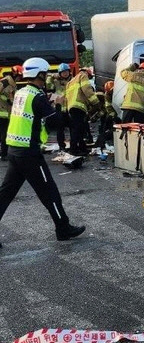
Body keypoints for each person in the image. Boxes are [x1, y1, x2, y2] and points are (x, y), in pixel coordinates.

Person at [0, 57, 85, 249]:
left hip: (15, 150)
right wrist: (57, 104)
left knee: (5, 194)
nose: (46, 78)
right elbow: (55, 122)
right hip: (29, 154)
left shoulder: (22, 92)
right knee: (50, 193)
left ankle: (63, 226)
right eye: (45, 74)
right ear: (40, 74)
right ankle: (63, 228)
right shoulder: (37, 96)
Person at [65, 67, 100, 156]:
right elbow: (87, 90)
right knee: (77, 129)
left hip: (71, 107)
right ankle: (73, 150)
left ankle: (82, 148)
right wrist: (96, 102)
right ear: (87, 73)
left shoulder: (71, 81)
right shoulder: (83, 76)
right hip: (79, 106)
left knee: (78, 128)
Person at [46, 63, 71, 151]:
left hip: (69, 106)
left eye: (66, 72)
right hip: (59, 107)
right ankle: (62, 146)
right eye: (63, 72)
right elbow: (49, 86)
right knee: (60, 128)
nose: (65, 74)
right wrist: (52, 76)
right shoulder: (55, 81)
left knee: (72, 127)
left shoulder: (72, 81)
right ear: (59, 73)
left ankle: (73, 144)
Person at [0, 65, 23, 160]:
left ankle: (5, 153)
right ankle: (4, 154)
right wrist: (7, 100)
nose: (19, 78)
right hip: (1, 112)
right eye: (19, 76)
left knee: (6, 133)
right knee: (4, 134)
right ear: (14, 74)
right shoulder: (5, 82)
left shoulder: (12, 83)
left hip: (7, 113)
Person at [95, 80, 118, 150]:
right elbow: (108, 107)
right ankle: (102, 141)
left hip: (114, 112)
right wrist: (113, 116)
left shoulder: (117, 93)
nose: (111, 92)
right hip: (110, 113)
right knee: (106, 126)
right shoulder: (107, 95)